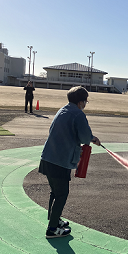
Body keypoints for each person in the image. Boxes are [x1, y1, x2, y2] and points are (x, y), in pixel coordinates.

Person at [39, 86, 101, 239]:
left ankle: (55, 219)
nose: (85, 104)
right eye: (85, 101)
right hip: (60, 162)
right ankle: (52, 229)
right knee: (62, 194)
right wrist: (92, 138)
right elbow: (85, 137)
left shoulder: (63, 110)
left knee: (55, 192)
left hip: (48, 158)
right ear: (81, 102)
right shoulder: (78, 114)